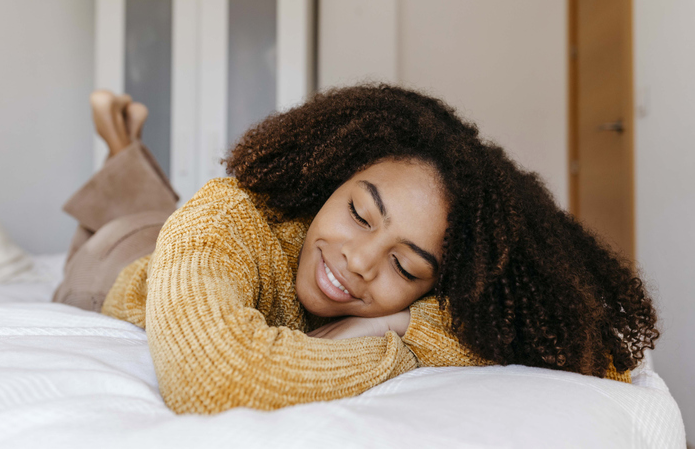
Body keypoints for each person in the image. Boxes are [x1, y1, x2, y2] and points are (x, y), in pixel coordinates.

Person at [53, 84, 659, 415]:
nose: (361, 262)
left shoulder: (422, 296)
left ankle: (122, 141)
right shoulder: (228, 212)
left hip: (178, 241)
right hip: (120, 265)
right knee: (136, 218)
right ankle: (119, 147)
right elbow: (217, 379)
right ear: (331, 178)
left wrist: (401, 323)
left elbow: (600, 354)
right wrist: (393, 352)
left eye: (406, 265)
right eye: (359, 213)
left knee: (159, 204)